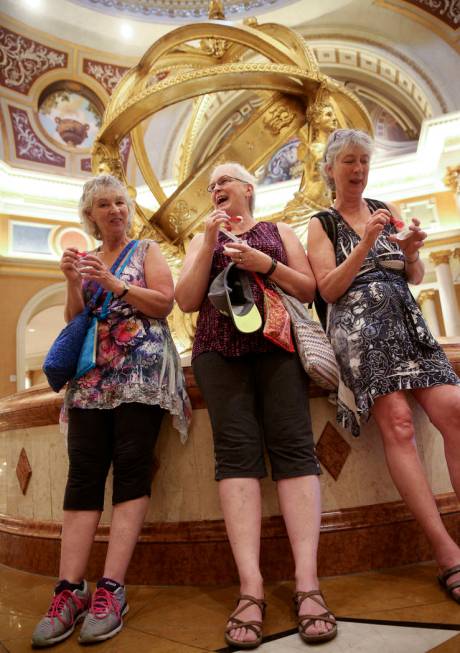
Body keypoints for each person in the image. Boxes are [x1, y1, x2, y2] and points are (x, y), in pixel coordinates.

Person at [175, 162, 337, 648]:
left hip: (278, 346)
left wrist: (261, 262)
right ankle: (251, 587)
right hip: (216, 351)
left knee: (295, 452)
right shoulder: (199, 238)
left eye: (223, 181)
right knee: (235, 457)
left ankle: (308, 584)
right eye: (210, 186)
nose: (215, 189)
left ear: (247, 188)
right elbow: (184, 301)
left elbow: (307, 289)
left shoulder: (278, 230)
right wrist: (207, 244)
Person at [32, 174, 191, 647]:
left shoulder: (146, 252)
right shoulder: (85, 259)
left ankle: (112, 588)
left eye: (120, 202)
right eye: (104, 204)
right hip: (90, 378)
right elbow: (74, 317)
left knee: (130, 469)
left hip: (140, 374)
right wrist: (72, 281)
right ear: (91, 215)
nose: (115, 210)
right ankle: (69, 589)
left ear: (129, 208)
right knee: (82, 474)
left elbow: (164, 304)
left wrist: (115, 284)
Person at [307, 128, 460, 604]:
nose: (358, 170)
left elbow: (412, 276)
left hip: (408, 324)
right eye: (349, 161)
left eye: (364, 162)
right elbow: (328, 290)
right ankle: (446, 554)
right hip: (360, 330)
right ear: (330, 169)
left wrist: (411, 249)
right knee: (397, 425)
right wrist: (364, 243)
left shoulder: (383, 207)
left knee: (455, 409)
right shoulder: (321, 223)